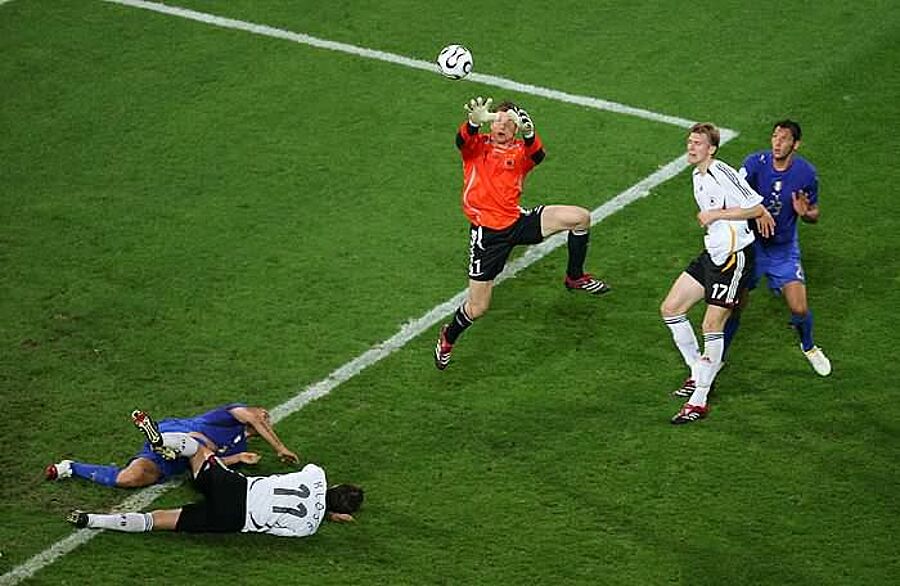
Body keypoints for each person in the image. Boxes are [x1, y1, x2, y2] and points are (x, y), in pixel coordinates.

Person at [434, 97, 610, 370]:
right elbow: (461, 141)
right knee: (478, 307)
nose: (502, 125)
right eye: (498, 120)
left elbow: (537, 155)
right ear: (490, 124)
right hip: (488, 236)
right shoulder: (476, 147)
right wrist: (473, 123)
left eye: (510, 122)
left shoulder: (519, 151)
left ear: (516, 129)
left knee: (580, 218)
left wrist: (530, 134)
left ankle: (574, 277)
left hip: (517, 221)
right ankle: (449, 337)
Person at [67, 410, 363, 538]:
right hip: (233, 519)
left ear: (334, 485)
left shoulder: (315, 476)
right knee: (158, 520)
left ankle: (162, 441)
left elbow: (314, 489)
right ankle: (92, 520)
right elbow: (280, 527)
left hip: (235, 487)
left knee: (196, 449)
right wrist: (327, 514)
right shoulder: (307, 529)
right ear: (340, 513)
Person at [661, 123, 775, 424]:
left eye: (698, 143)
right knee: (671, 308)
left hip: (733, 259)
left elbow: (755, 207)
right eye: (689, 141)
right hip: (712, 253)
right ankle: (698, 371)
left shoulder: (721, 171)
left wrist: (716, 214)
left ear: (711, 149)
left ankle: (699, 400)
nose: (691, 147)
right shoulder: (696, 176)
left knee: (711, 324)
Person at [722, 120, 831, 376]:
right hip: (752, 247)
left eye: (784, 139)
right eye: (774, 137)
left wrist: (805, 214)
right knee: (736, 305)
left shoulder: (806, 173)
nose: (777, 143)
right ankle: (718, 358)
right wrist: (758, 211)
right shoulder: (754, 164)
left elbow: (814, 212)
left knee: (799, 308)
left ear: (796, 144)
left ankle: (809, 347)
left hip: (783, 249)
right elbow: (732, 197)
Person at [45, 403, 299, 488]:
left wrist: (237, 459)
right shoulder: (227, 415)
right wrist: (280, 448)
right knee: (201, 443)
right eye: (263, 413)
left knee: (129, 479)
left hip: (176, 461)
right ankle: (160, 440)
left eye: (267, 418)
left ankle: (70, 467)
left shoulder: (238, 446)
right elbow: (253, 417)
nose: (265, 416)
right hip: (175, 432)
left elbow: (204, 464)